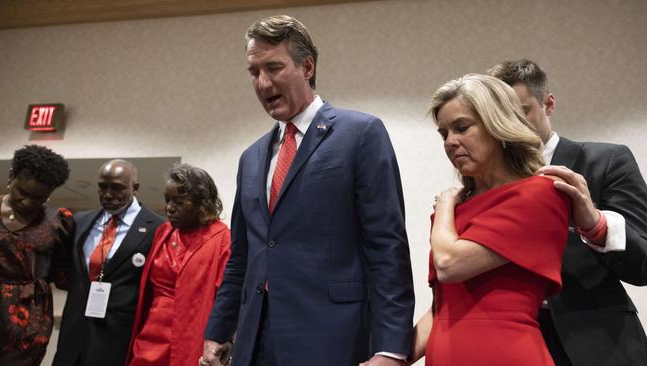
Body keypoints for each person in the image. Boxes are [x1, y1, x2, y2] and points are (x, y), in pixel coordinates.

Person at [200, 15, 415, 366]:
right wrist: (218, 330)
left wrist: (391, 349)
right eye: (254, 72)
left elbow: (387, 248)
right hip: (254, 342)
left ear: (308, 66)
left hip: (333, 337)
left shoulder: (360, 134)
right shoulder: (251, 157)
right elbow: (241, 257)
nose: (263, 82)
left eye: (273, 68)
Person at [487, 59, 647, 366]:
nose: (510, 127)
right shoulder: (485, 179)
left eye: (522, 113)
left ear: (548, 104)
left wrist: (597, 224)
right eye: (500, 117)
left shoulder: (607, 161)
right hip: (509, 342)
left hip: (598, 342)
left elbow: (644, 265)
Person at [410, 74, 572, 365]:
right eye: (444, 133)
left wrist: (445, 204)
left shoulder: (540, 194)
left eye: (462, 128)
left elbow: (449, 264)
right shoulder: (455, 212)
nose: (450, 142)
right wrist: (389, 356)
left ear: (498, 126)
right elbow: (439, 312)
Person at [53, 159, 164, 366]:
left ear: (135, 187)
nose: (108, 194)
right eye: (102, 187)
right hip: (74, 332)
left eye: (117, 188)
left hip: (117, 336)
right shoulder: (80, 221)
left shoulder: (157, 228)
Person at [126, 164, 231, 366]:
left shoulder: (223, 238)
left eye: (179, 201)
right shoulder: (163, 232)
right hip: (151, 332)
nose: (169, 208)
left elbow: (226, 298)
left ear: (202, 202)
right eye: (167, 200)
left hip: (192, 331)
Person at [0, 145, 74, 366]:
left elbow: (63, 275)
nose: (28, 203)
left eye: (39, 198)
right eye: (23, 192)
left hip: (28, 319)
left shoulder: (57, 222)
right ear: (11, 176)